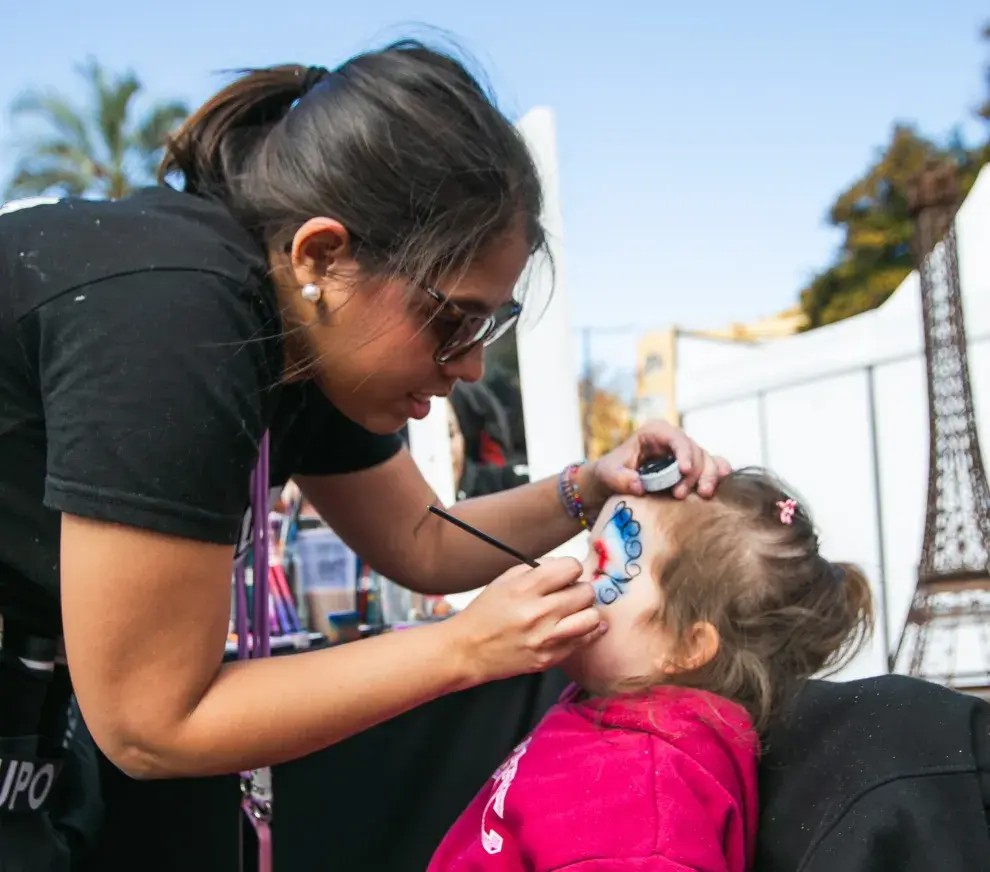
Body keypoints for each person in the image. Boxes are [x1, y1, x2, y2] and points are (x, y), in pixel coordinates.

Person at [0, 40, 729, 867]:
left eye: (490, 325)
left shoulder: (307, 341)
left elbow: (422, 540)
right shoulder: (174, 316)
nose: (469, 366)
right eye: (452, 319)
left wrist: (589, 486)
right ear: (322, 256)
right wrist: (462, 649)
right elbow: (149, 724)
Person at [429, 467, 874, 871]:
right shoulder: (607, 701)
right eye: (585, 554)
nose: (568, 573)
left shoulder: (644, 810)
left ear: (687, 646)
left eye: (602, 565)